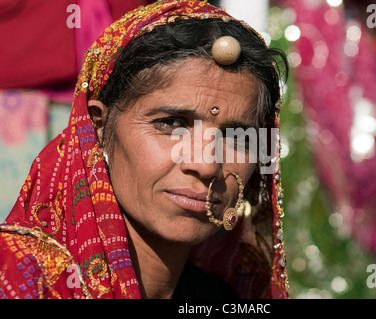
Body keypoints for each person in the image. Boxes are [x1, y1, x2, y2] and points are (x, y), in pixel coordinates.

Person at [0, 0, 289, 299]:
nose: (205, 165)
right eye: (172, 124)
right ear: (98, 127)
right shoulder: (20, 283)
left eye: (237, 138)